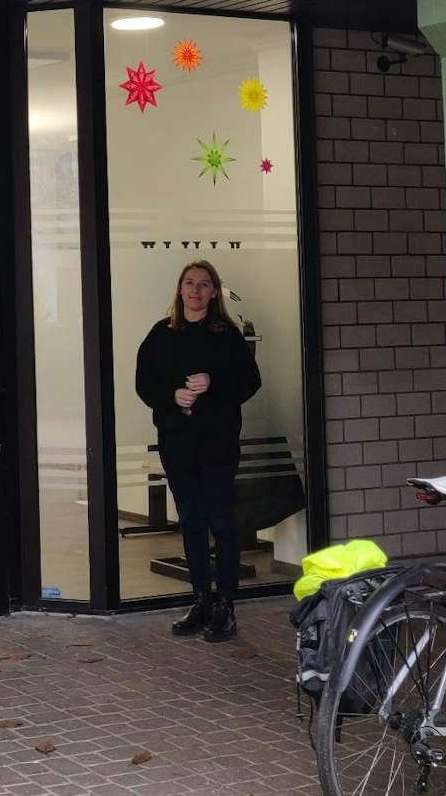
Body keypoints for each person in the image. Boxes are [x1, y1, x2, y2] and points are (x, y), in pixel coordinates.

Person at [133, 260, 261, 642]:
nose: (196, 290)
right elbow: (144, 384)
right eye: (189, 283)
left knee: (221, 522)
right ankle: (200, 599)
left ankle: (226, 605)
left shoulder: (227, 335)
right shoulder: (161, 333)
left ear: (214, 292)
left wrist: (213, 382)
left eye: (204, 284)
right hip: (178, 443)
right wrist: (172, 395)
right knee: (190, 521)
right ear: (180, 289)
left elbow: (250, 382)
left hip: (218, 443)